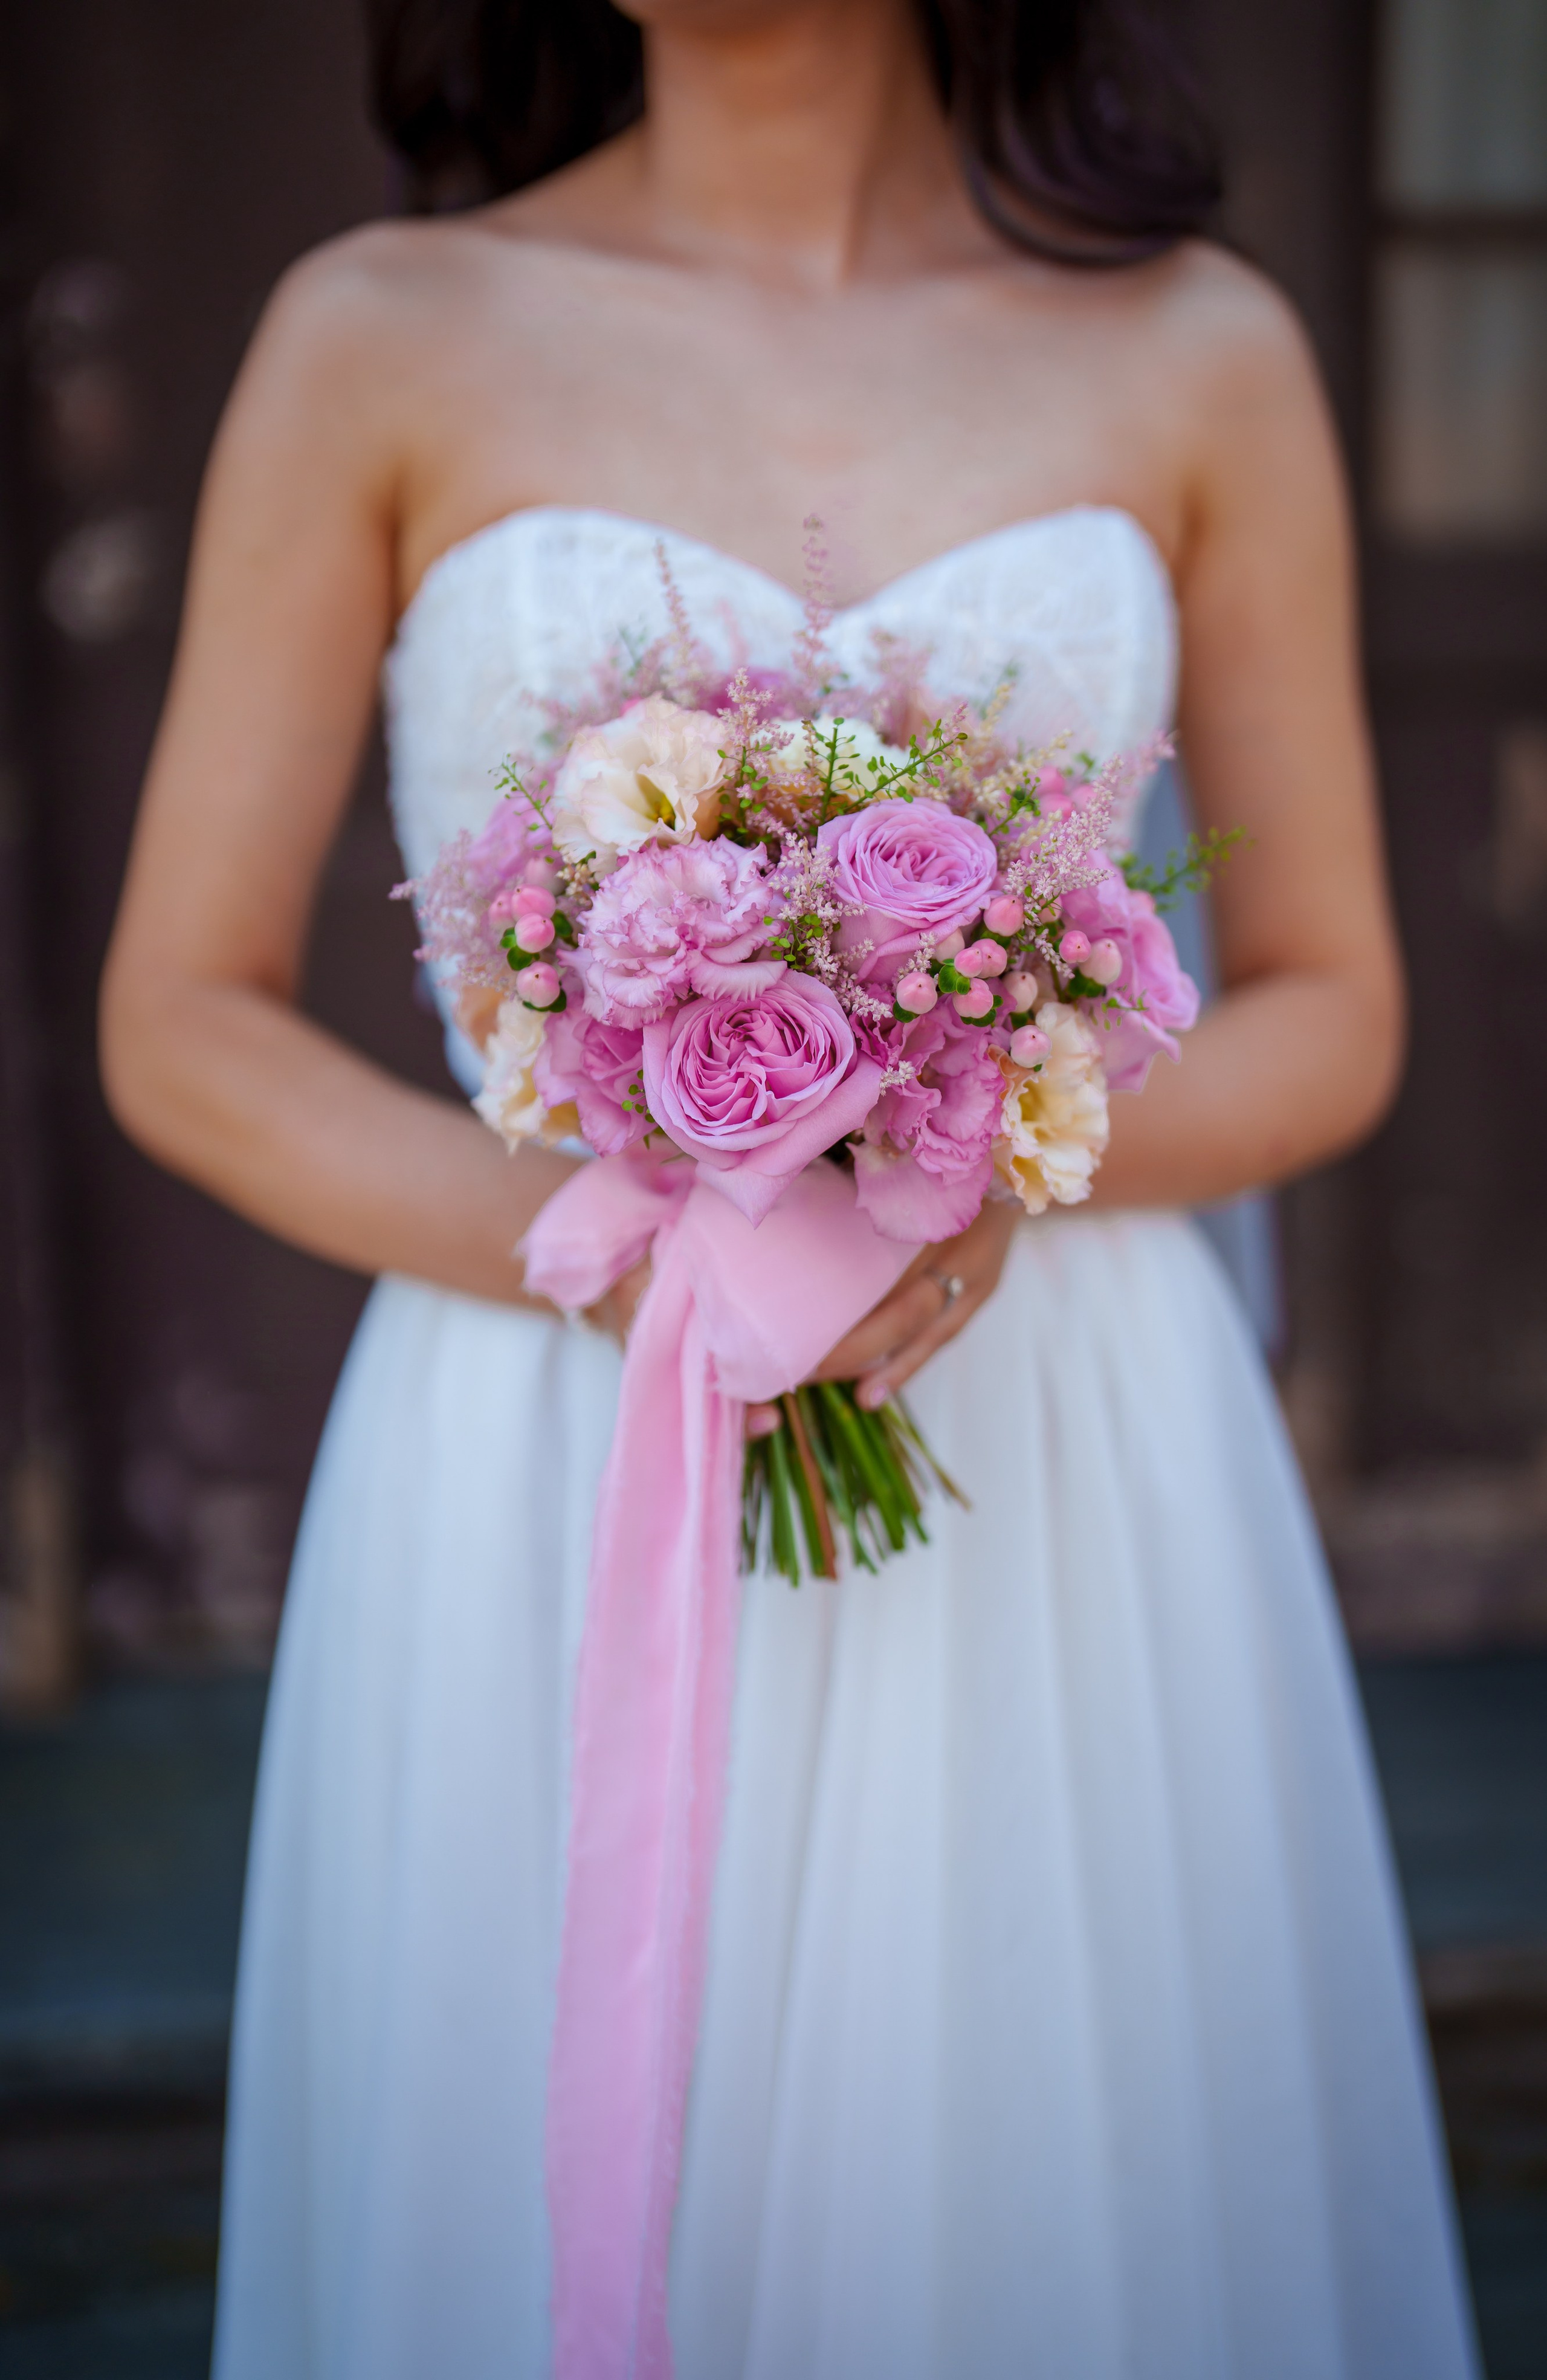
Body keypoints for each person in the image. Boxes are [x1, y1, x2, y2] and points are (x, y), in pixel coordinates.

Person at [100, 2, 1480, 2373]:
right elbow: (182, 1019)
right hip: (544, 1434)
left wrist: (967, 1172)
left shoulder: (1196, 345)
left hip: (1057, 1460)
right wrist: (653, 1255)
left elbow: (1330, 1002)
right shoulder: (375, 336)